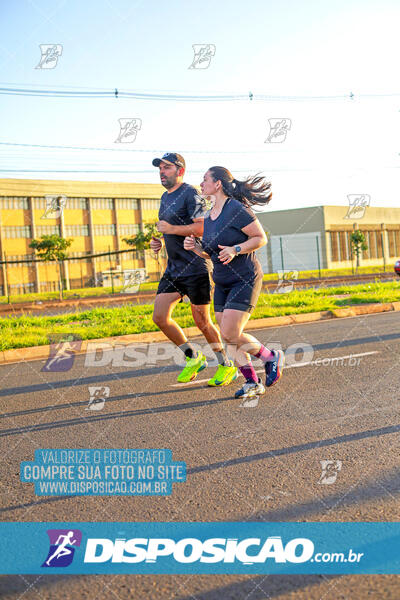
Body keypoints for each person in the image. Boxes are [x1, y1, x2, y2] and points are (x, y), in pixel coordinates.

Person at [184, 166, 285, 398]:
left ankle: (271, 357)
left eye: (204, 180)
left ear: (217, 184)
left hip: (245, 278)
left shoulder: (236, 209)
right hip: (221, 281)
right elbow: (214, 254)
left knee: (231, 331)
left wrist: (236, 249)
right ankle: (251, 382)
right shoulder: (209, 217)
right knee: (227, 335)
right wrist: (197, 249)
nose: (201, 184)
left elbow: (260, 237)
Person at [150, 153, 238, 386]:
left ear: (180, 171)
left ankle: (226, 364)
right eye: (160, 168)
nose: (162, 171)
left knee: (202, 322)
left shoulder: (191, 193)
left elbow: (202, 228)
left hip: (195, 266)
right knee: (160, 316)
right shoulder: (164, 197)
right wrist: (159, 239)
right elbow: (169, 229)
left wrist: (171, 228)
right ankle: (194, 357)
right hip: (174, 268)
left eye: (167, 167)